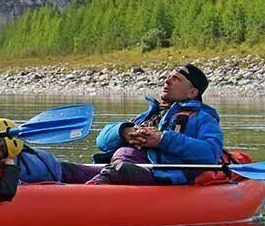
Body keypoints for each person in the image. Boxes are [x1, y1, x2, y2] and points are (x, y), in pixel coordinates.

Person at [88, 63, 223, 185]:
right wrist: (124, 132)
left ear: (192, 92)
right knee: (67, 169)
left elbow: (211, 153)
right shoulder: (148, 115)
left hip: (158, 174)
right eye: (168, 76)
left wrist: (162, 140)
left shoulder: (204, 118)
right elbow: (101, 141)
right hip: (116, 168)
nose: (167, 81)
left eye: (176, 79)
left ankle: (91, 192)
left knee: (122, 164)